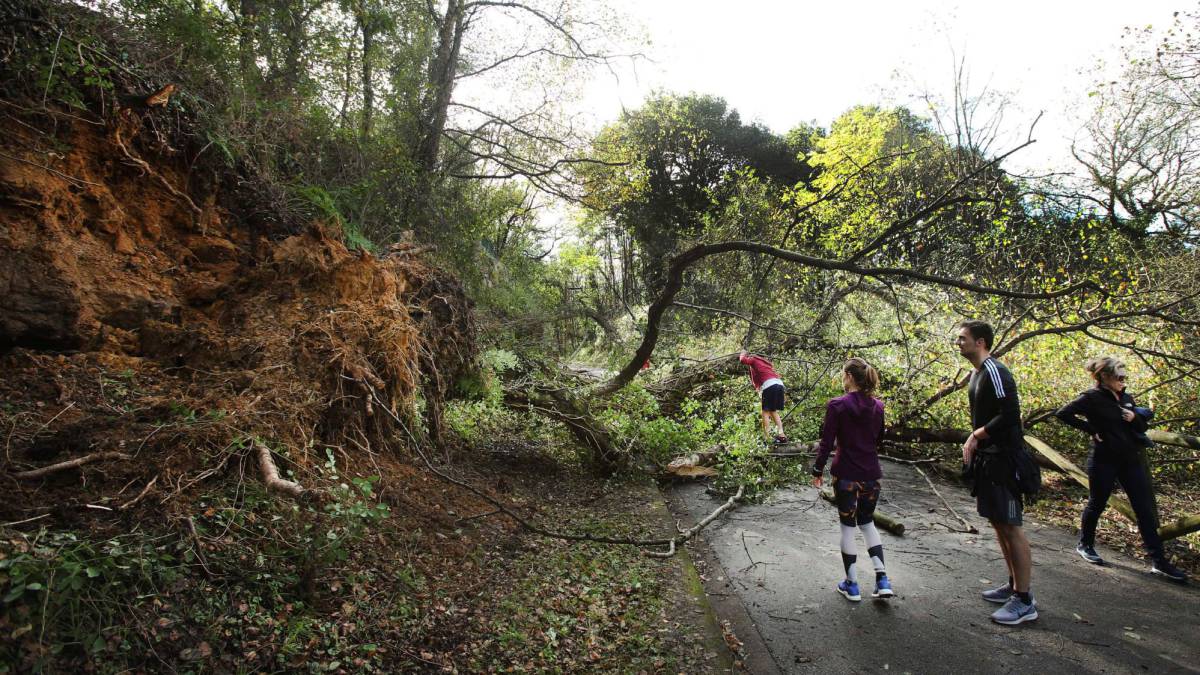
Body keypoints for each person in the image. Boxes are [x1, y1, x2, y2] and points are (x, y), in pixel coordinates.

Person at [1054, 357, 1188, 582]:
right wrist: (1090, 429)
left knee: (1144, 509)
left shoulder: (1126, 397)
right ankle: (1085, 545)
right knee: (1097, 503)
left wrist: (1135, 416)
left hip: (1130, 460)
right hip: (1103, 459)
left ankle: (1159, 562)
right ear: (1104, 377)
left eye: (1125, 377)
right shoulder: (1091, 397)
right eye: (1120, 376)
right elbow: (1062, 414)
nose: (1123, 381)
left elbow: (1141, 426)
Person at [956, 320, 1038, 625]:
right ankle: (1014, 584)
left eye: (962, 338)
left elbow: (1011, 415)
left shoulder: (995, 371)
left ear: (980, 342)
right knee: (998, 523)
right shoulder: (975, 374)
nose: (958, 342)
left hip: (1006, 462)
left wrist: (976, 436)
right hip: (988, 462)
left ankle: (1025, 600)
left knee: (1012, 525)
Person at [811, 358, 894, 602]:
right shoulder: (878, 407)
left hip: (846, 474)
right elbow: (878, 439)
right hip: (871, 475)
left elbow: (827, 443)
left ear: (848, 376)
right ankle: (882, 579)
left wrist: (817, 470)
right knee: (867, 523)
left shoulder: (837, 405)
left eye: (842, 374)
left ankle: (852, 584)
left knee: (848, 527)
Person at [738, 351, 787, 443]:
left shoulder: (754, 359)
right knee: (773, 411)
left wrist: (742, 353)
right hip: (779, 384)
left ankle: (767, 437)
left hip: (770, 385)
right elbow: (757, 380)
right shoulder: (764, 363)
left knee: (765, 412)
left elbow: (743, 360)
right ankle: (782, 435)